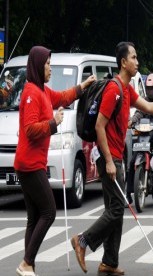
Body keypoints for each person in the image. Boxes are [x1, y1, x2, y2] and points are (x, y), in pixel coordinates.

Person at [70, 42, 153, 275]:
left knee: (114, 209)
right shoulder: (114, 90)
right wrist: (107, 160)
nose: (137, 62)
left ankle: (109, 262)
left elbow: (147, 106)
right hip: (110, 157)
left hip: (116, 156)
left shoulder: (127, 89)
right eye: (134, 58)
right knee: (117, 209)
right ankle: (83, 241)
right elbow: (99, 126)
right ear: (123, 62)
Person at [13, 45, 96, 276]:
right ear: (38, 66)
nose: (50, 67)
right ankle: (26, 263)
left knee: (34, 217)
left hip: (31, 163)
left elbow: (62, 97)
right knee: (49, 212)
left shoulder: (42, 90)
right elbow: (30, 130)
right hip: (30, 164)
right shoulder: (31, 93)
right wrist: (54, 123)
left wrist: (82, 87)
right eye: (48, 64)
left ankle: (28, 265)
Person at [126, 73, 153, 204]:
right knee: (132, 161)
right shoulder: (143, 100)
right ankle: (128, 193)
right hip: (143, 137)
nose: (150, 91)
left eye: (152, 88)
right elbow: (139, 113)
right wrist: (132, 121)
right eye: (148, 88)